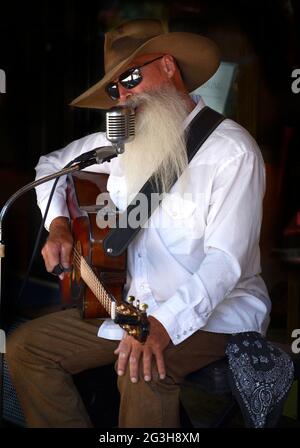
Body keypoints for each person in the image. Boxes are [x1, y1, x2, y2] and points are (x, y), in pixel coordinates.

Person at [6, 18, 271, 428]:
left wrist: (162, 327)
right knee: (25, 348)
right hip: (130, 308)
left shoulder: (231, 151)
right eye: (115, 89)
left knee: (143, 371)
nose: (124, 95)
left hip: (215, 314)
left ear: (168, 66)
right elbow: (52, 165)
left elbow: (225, 264)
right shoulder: (123, 141)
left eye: (131, 77)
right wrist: (58, 225)